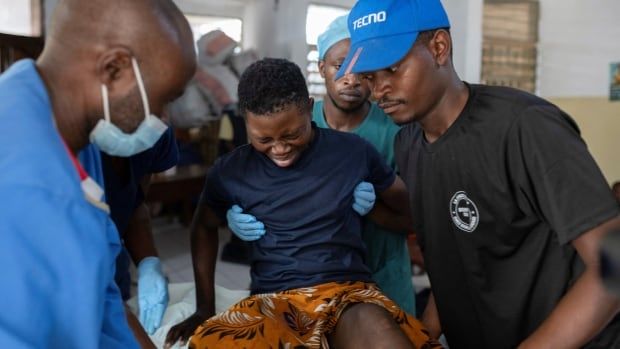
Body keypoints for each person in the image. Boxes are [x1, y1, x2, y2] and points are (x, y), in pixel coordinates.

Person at [337, 0, 620, 348]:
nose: (378, 89)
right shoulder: (408, 145)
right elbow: (458, 257)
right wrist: (423, 335)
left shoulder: (525, 127)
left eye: (392, 69)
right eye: (369, 76)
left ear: (439, 48)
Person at [164, 58, 440, 349]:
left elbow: (409, 213)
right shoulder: (231, 171)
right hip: (272, 300)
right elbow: (202, 228)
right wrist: (203, 308)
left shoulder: (353, 152)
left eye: (292, 134)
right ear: (245, 120)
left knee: (382, 333)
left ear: (309, 108)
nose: (280, 149)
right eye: (264, 139)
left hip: (348, 292)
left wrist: (374, 207)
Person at [0, 0, 196, 347]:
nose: (164, 118)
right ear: (115, 69)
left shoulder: (69, 132)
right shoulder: (29, 187)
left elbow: (102, 294)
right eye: (162, 98)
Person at [314, 14, 416, 315]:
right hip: (317, 277)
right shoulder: (300, 126)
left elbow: (413, 220)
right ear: (322, 68)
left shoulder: (395, 130)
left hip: (383, 275)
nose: (352, 79)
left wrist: (373, 209)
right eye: (339, 66)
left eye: (363, 70)